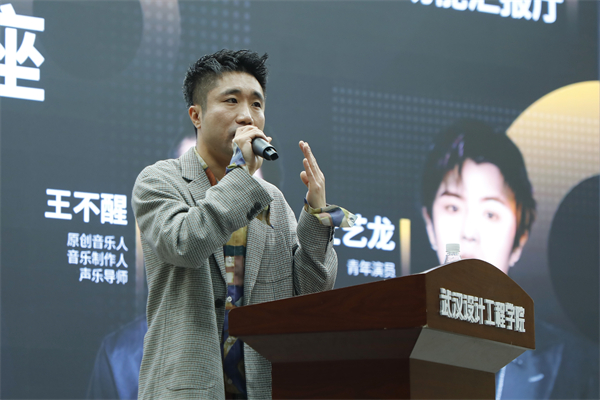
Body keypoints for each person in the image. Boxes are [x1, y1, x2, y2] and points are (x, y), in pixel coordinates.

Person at [131, 49, 354, 400]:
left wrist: (316, 212)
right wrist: (242, 174)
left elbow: (310, 292)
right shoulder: (159, 181)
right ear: (196, 115)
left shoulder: (273, 200)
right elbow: (185, 243)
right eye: (231, 100)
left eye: (257, 104)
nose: (247, 116)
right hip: (188, 389)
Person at [420, 119, 598, 399]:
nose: (468, 233)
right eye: (453, 207)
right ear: (429, 224)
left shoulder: (575, 365)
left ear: (520, 237)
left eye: (490, 214)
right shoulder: (388, 343)